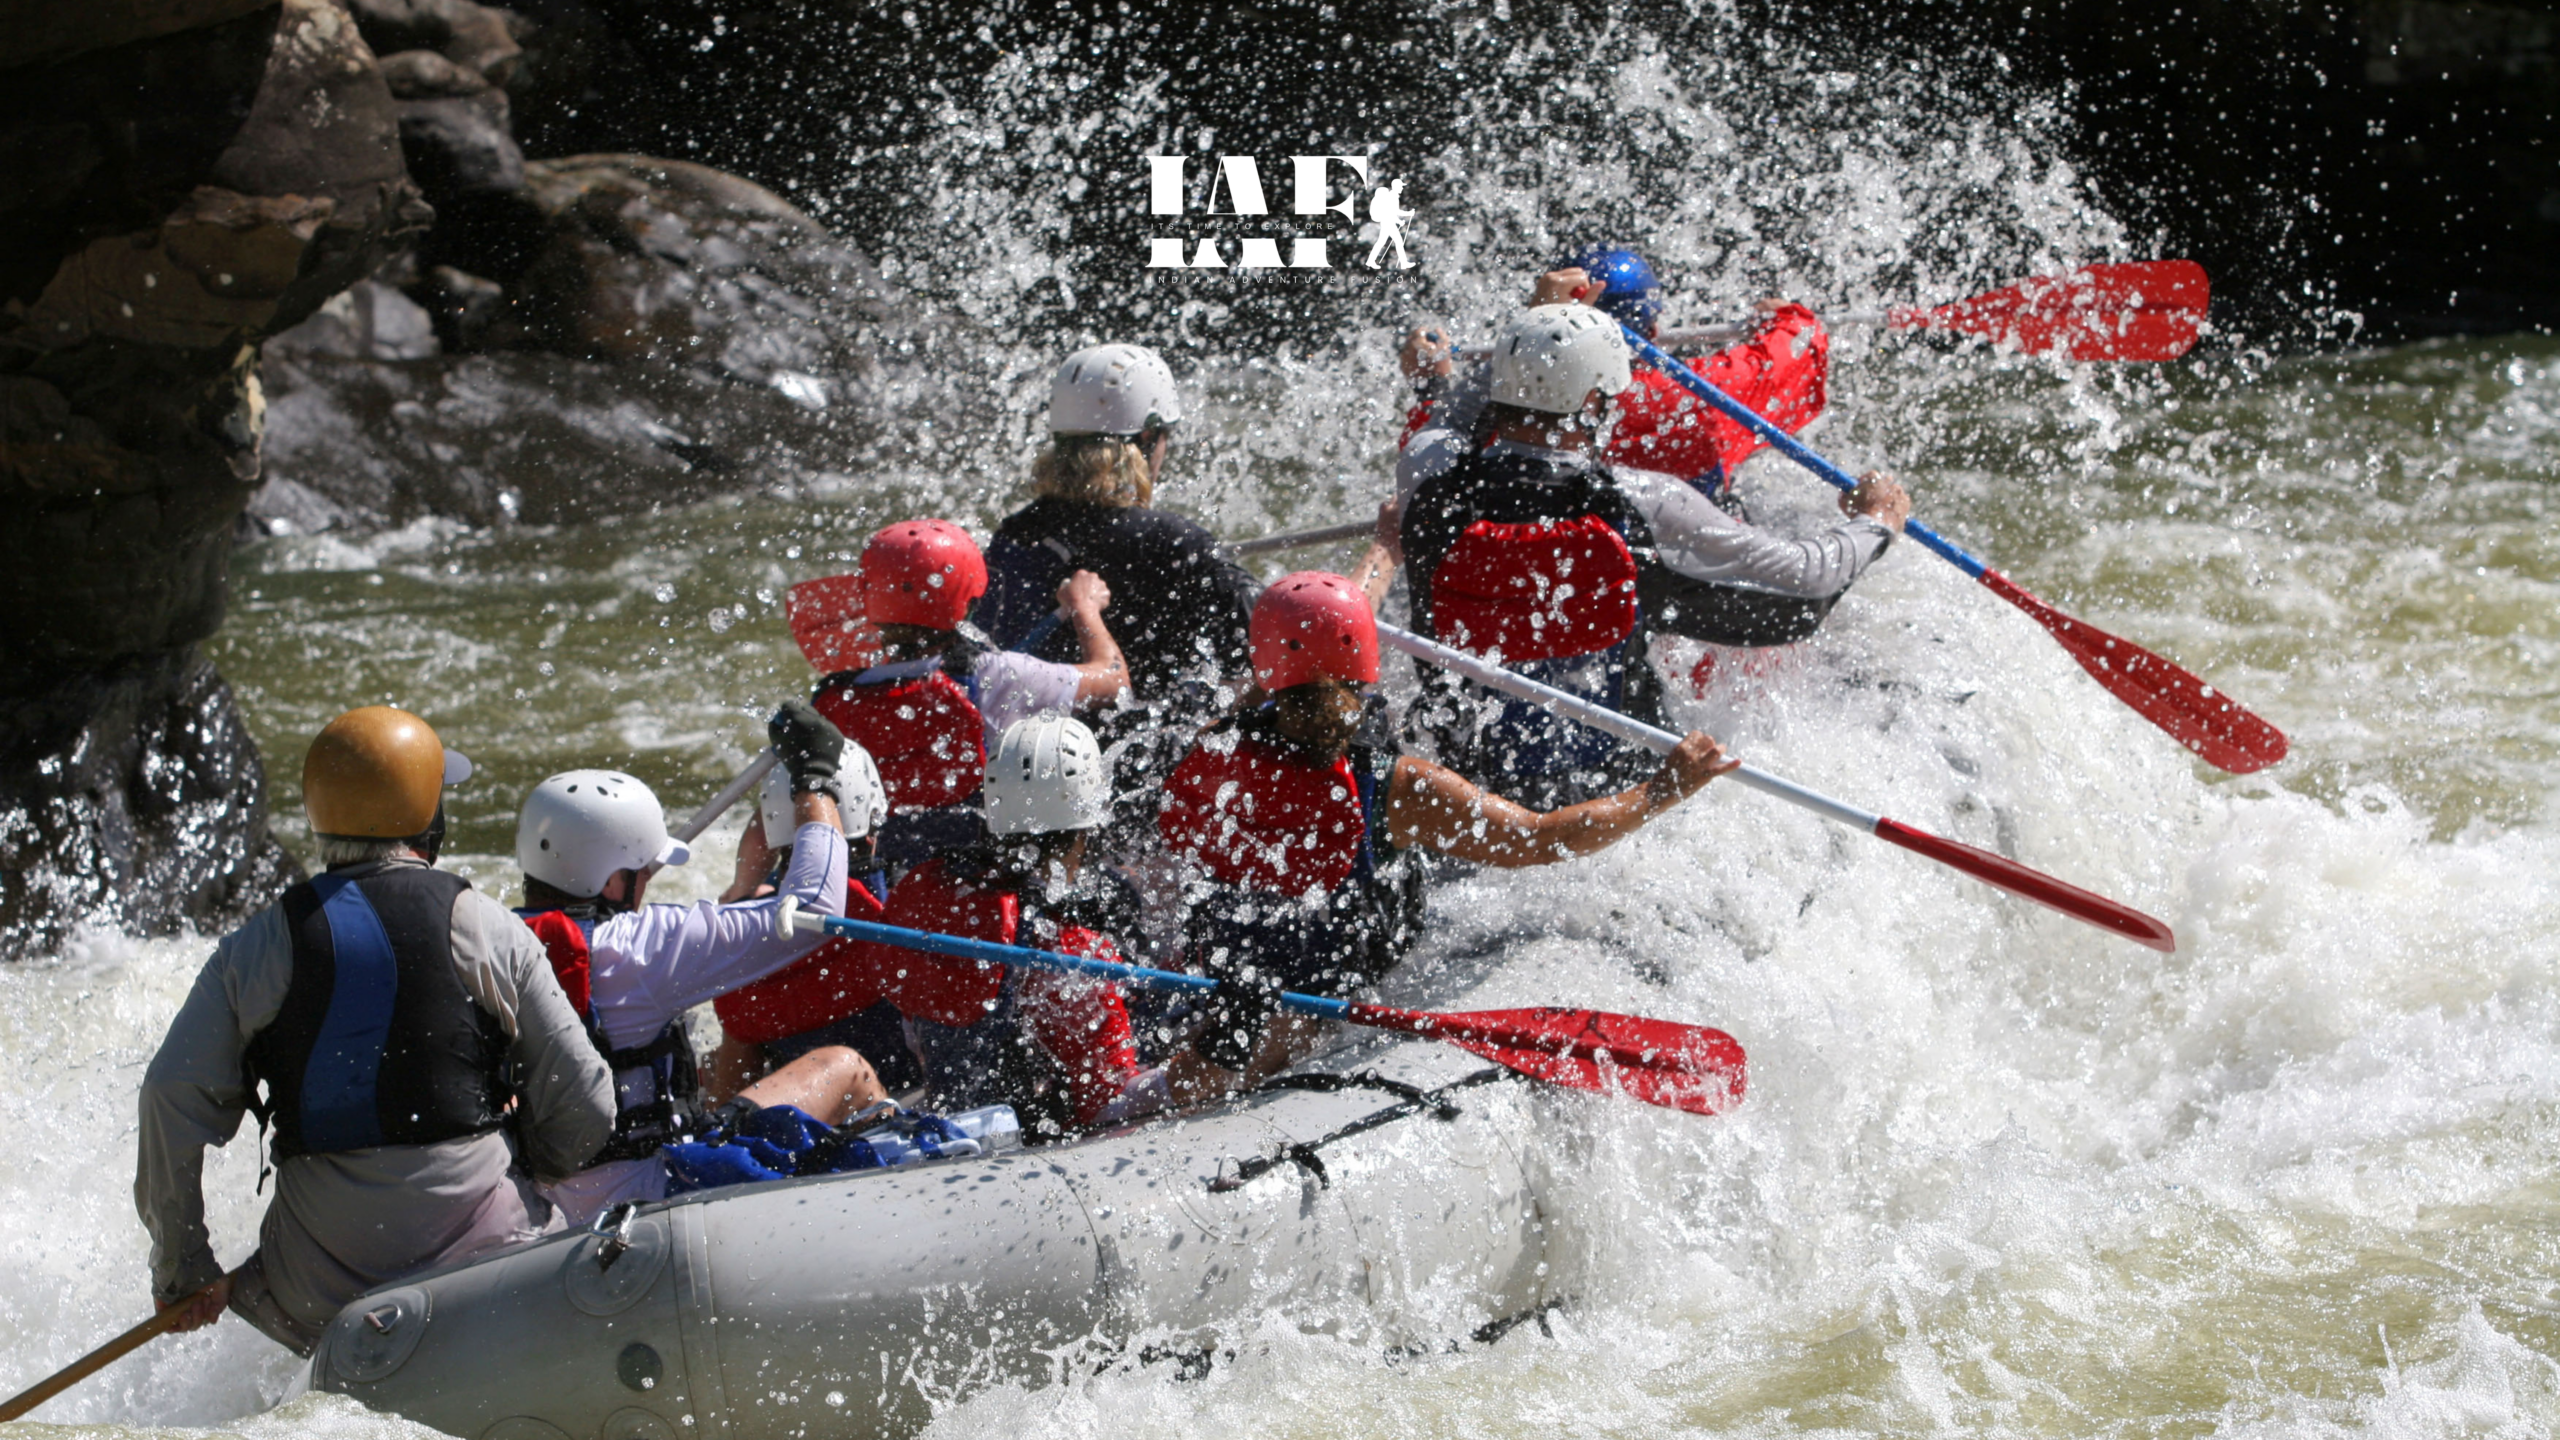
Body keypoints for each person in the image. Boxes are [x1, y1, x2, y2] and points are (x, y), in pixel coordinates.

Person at [137, 706, 614, 1354]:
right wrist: (533, 1164)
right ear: (429, 815)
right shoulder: (487, 926)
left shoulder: (256, 945)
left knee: (267, 1286)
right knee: (556, 1235)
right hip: (485, 1252)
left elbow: (171, 1092)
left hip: (314, 1285)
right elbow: (586, 1096)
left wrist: (184, 1268)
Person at [1156, 573, 1740, 1087]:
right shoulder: (1397, 788)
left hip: (1226, 967)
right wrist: (1661, 790)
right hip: (1319, 992)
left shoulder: (1212, 741)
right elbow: (1541, 838)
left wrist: (1380, 558)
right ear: (1363, 659)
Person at [1389, 304, 1911, 805]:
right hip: (1616, 788)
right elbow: (1811, 577)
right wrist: (1876, 521)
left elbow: (1450, 417)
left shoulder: (1426, 471)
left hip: (1462, 782)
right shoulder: (1645, 500)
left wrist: (1442, 376)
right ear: (1594, 403)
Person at [513, 701, 895, 1225]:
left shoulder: (490, 936)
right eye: (641, 873)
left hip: (547, 1205)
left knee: (713, 1065)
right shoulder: (642, 946)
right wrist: (814, 778)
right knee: (842, 1065)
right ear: (610, 882)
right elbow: (812, 908)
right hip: (650, 1199)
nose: (646, 884)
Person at [714, 714, 1168, 1137]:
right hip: (982, 1139)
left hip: (893, 1114)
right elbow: (1105, 1100)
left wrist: (743, 889)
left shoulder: (919, 898)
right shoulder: (1063, 947)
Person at [1397, 246, 1832, 504]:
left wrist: (1433, 384)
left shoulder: (1522, 403)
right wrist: (1786, 317)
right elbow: (1800, 349)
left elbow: (1431, 453)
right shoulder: (1697, 397)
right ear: (1654, 330)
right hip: (1685, 586)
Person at [816, 518, 1128, 866]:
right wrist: (1084, 606)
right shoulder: (1000, 674)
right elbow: (1114, 681)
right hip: (967, 881)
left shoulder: (836, 696)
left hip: (875, 877)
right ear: (971, 600)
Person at [975, 344, 1259, 704]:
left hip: (1027, 747)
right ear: (1147, 437)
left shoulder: (1016, 534)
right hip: (1148, 753)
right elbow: (1276, 644)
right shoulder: (1175, 542)